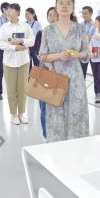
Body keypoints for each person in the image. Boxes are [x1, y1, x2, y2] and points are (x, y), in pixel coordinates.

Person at [39, 0, 90, 142]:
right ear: (56, 7)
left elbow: (86, 53)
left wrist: (76, 54)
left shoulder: (80, 29)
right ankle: (57, 148)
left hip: (76, 79)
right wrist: (59, 55)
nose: (64, 6)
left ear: (73, 8)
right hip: (55, 77)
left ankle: (78, 147)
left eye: (68, 3)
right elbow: (42, 56)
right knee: (56, 112)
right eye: (61, 3)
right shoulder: (48, 30)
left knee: (77, 112)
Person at [0, 3, 35, 125]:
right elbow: (1, 44)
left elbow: (32, 41)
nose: (8, 12)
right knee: (11, 89)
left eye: (11, 10)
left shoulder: (25, 26)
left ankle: (21, 114)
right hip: (9, 62)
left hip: (23, 61)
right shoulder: (4, 27)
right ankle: (14, 114)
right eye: (7, 10)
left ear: (18, 12)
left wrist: (22, 41)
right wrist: (14, 48)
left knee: (22, 88)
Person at [39, 7, 59, 139]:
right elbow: (40, 54)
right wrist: (50, 64)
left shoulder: (66, 33)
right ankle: (46, 135)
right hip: (46, 72)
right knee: (45, 106)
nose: (52, 18)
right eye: (49, 15)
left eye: (54, 15)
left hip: (61, 73)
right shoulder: (42, 32)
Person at [80, 6, 95, 79]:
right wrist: (89, 37)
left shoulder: (95, 25)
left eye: (86, 13)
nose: (84, 15)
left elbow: (96, 37)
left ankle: (97, 87)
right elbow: (78, 38)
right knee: (82, 73)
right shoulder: (79, 25)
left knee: (96, 73)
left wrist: (83, 37)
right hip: (82, 50)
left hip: (93, 50)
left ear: (91, 14)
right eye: (83, 13)